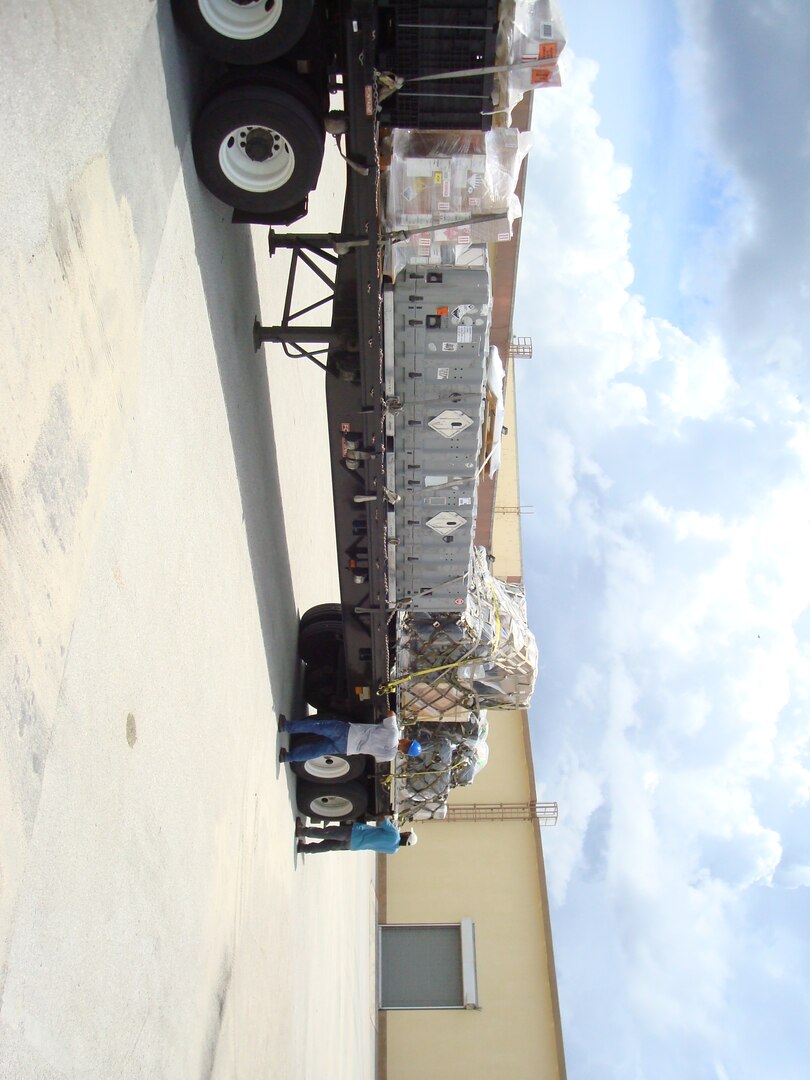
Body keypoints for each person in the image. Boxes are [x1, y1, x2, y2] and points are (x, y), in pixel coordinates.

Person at [277, 710, 422, 763]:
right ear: (404, 752)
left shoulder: (394, 733)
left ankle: (287, 726)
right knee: (316, 750)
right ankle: (288, 757)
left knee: (318, 726)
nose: (407, 739)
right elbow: (376, 758)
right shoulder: (390, 756)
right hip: (348, 748)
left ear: (407, 742)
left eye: (409, 740)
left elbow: (390, 714)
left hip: (348, 733)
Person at [295, 817, 417, 855]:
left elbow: (381, 820)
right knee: (328, 845)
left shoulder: (394, 833)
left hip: (355, 834)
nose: (405, 831)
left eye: (407, 832)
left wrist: (390, 819)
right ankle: (304, 848)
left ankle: (303, 831)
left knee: (328, 832)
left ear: (406, 835)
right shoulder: (394, 850)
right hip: (354, 846)